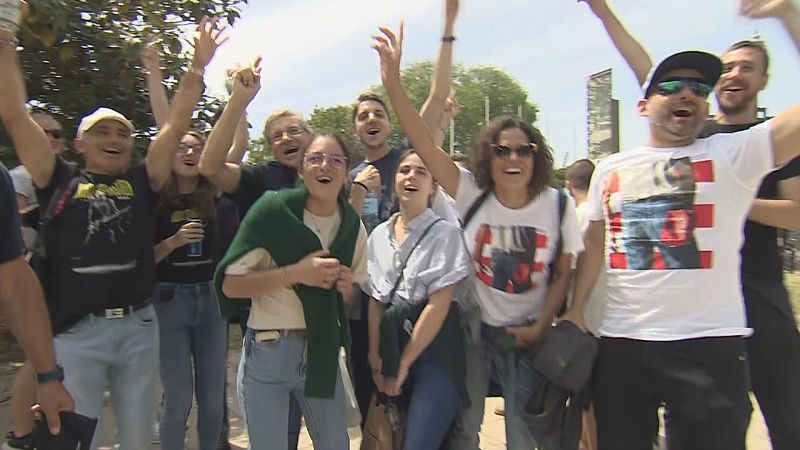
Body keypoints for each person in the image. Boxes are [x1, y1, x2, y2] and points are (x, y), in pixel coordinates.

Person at [0, 10, 227, 448]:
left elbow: (176, 123)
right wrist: (6, 38)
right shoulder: (59, 178)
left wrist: (198, 66)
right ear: (80, 143)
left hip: (139, 330)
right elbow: (13, 114)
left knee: (140, 438)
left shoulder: (144, 181)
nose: (114, 137)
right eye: (101, 131)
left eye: (122, 131)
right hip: (76, 334)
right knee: (77, 436)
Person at [582, 1, 800, 447]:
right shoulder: (612, 167)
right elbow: (592, 243)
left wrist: (790, 17)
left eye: (699, 89)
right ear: (644, 105)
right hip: (624, 343)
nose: (688, 94)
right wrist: (574, 311)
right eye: (673, 86)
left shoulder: (734, 155)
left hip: (710, 345)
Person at [372, 24, 583, 450]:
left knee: (523, 436)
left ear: (537, 156)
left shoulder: (558, 205)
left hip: (528, 335)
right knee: (464, 430)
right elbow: (420, 139)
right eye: (502, 150)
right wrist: (392, 81)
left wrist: (543, 323)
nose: (513, 158)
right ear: (488, 156)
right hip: (473, 332)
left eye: (524, 150)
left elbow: (564, 270)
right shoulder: (470, 194)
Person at [215, 134, 367, 450]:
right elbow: (230, 285)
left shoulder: (353, 226)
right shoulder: (272, 212)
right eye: (315, 158)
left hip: (322, 352)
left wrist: (343, 287)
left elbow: (349, 295)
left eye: (336, 160)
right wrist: (296, 273)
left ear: (346, 172)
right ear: (301, 171)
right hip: (269, 350)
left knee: (336, 444)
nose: (325, 165)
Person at [348, 0, 462, 421]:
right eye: (363, 116)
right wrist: (357, 191)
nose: (372, 119)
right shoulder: (343, 174)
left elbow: (436, 95)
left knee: (421, 404)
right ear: (355, 128)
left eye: (379, 113)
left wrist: (447, 27)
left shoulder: (409, 158)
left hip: (416, 304)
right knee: (373, 402)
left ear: (390, 124)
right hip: (369, 302)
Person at [199, 56, 308, 450]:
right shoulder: (262, 180)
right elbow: (211, 166)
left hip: (320, 330)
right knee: (277, 433)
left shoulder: (331, 176)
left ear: (310, 137)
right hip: (268, 331)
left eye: (294, 130)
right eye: (276, 134)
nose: (285, 138)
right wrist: (238, 103)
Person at [365, 150, 470, 450]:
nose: (411, 176)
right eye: (404, 170)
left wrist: (403, 363)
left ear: (433, 187)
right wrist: (376, 359)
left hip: (435, 354)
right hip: (391, 348)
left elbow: (438, 306)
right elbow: (375, 301)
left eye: (421, 172)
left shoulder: (446, 235)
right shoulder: (378, 236)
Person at [0, 158, 75, 445]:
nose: (52, 142)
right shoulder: (21, 179)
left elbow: (14, 278)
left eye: (57, 135)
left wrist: (49, 378)